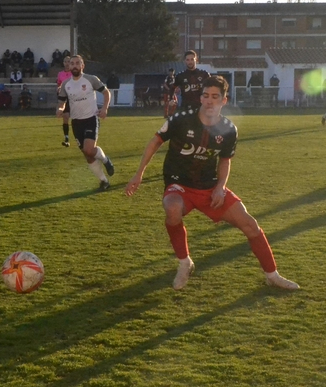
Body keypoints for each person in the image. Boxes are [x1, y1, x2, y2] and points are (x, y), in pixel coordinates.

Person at [125, 75, 299, 291]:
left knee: (250, 225)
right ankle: (184, 263)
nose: (209, 101)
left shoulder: (228, 130)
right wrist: (139, 174)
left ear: (224, 100)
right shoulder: (181, 119)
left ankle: (272, 276)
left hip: (208, 187)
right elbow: (155, 142)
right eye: (206, 96)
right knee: (172, 207)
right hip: (179, 184)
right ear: (200, 98)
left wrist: (220, 187)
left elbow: (225, 161)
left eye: (215, 97)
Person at [57, 55, 115, 191]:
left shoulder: (91, 79)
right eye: (72, 63)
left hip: (91, 119)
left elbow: (106, 93)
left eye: (78, 63)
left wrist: (104, 108)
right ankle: (104, 181)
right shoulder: (65, 84)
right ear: (69, 66)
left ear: (82, 66)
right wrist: (59, 109)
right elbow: (61, 102)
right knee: (87, 154)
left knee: (89, 149)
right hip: (76, 122)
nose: (75, 65)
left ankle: (105, 160)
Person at [56, 55, 73, 147]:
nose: (67, 64)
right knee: (65, 117)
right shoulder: (60, 74)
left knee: (76, 118)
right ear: (63, 63)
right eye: (65, 62)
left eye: (68, 62)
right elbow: (59, 83)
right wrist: (59, 88)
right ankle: (66, 138)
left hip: (74, 98)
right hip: (64, 98)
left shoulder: (74, 73)